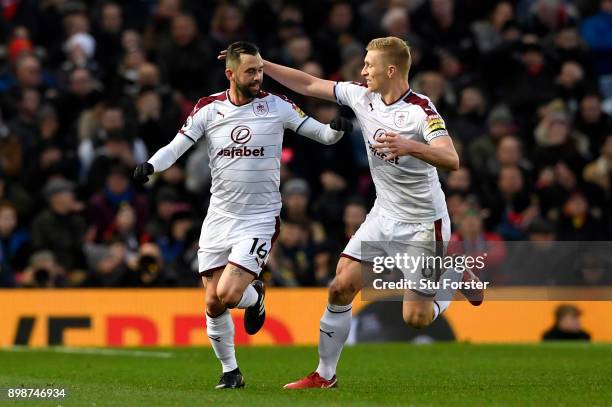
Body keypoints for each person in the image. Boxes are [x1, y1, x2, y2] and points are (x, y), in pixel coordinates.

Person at [233, 36, 483, 389]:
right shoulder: (360, 95)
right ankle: (325, 374)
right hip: (383, 213)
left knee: (416, 318)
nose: (363, 70)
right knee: (340, 287)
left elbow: (451, 159)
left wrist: (410, 145)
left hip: (423, 224)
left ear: (391, 70)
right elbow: (309, 84)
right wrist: (263, 67)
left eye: (369, 65)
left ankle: (454, 273)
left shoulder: (421, 111)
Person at [133, 41, 352, 389]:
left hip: (259, 217)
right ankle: (231, 372)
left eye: (260, 70)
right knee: (212, 301)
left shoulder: (276, 106)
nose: (257, 77)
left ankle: (256, 294)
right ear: (230, 73)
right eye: (250, 71)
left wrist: (337, 128)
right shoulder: (208, 108)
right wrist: (151, 165)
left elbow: (320, 134)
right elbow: (178, 145)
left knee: (231, 294)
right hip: (219, 217)